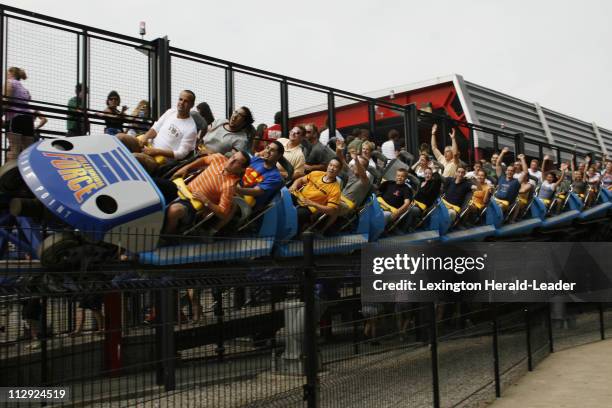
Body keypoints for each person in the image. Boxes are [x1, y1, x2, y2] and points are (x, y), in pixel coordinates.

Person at [164, 150, 251, 235]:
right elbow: (204, 160)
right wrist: (187, 167)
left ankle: (166, 236)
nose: (231, 161)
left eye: (237, 162)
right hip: (182, 189)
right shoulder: (219, 158)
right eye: (233, 157)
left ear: (242, 169)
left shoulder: (229, 186)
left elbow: (223, 213)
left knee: (174, 210)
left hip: (192, 204)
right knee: (159, 184)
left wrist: (206, 201)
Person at [118, 90, 198, 171]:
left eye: (186, 101)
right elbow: (156, 128)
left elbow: (181, 154)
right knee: (120, 137)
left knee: (133, 158)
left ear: (192, 105)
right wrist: (145, 138)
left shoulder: (191, 128)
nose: (182, 102)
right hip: (148, 146)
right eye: (180, 99)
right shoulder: (171, 112)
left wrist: (157, 151)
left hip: (159, 161)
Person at [322, 140, 372, 232]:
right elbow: (341, 160)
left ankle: (322, 230)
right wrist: (338, 150)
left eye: (358, 165)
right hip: (339, 198)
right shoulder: (352, 174)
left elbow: (362, 174)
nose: (354, 166)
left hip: (348, 206)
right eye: (354, 164)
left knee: (335, 205)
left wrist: (356, 159)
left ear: (364, 168)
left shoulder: (366, 181)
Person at [289, 158, 342, 232]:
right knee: (283, 198)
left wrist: (313, 204)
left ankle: (289, 233)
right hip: (299, 196)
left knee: (297, 215)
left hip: (310, 207)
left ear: (339, 171)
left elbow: (331, 210)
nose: (332, 168)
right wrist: (294, 185)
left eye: (335, 167)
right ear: (327, 166)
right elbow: (300, 180)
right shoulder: (316, 173)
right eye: (330, 165)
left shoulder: (336, 190)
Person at [236, 141, 285, 211]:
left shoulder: (275, 177)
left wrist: (235, 189)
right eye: (268, 148)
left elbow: (256, 191)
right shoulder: (257, 159)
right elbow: (240, 168)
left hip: (245, 203)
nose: (268, 151)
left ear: (279, 156)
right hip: (236, 188)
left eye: (272, 150)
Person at [4, 67, 34, 160]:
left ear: (11, 73)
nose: (6, 75)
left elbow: (6, 101)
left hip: (15, 117)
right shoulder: (24, 89)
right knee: (28, 150)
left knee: (14, 148)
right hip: (28, 118)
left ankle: (12, 173)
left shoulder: (9, 83)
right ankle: (26, 172)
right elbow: (29, 99)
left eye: (7, 73)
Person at [494, 147, 523, 213]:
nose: (509, 172)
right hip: (496, 200)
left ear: (514, 172)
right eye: (508, 170)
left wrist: (522, 159)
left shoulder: (516, 181)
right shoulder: (501, 177)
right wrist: (502, 153)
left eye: (512, 171)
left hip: (505, 203)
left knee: (499, 207)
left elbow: (525, 172)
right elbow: (498, 164)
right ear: (506, 171)